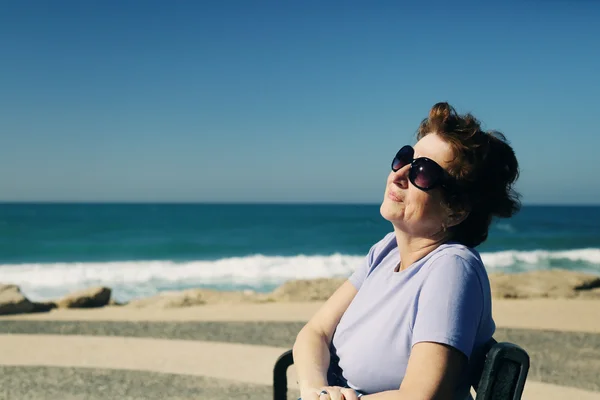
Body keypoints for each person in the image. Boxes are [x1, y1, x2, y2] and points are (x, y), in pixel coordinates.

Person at [292, 102, 521, 400]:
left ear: (456, 210)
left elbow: (421, 395)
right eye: (405, 159)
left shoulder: (452, 269)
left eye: (423, 173)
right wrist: (315, 391)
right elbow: (315, 333)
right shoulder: (385, 251)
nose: (399, 174)